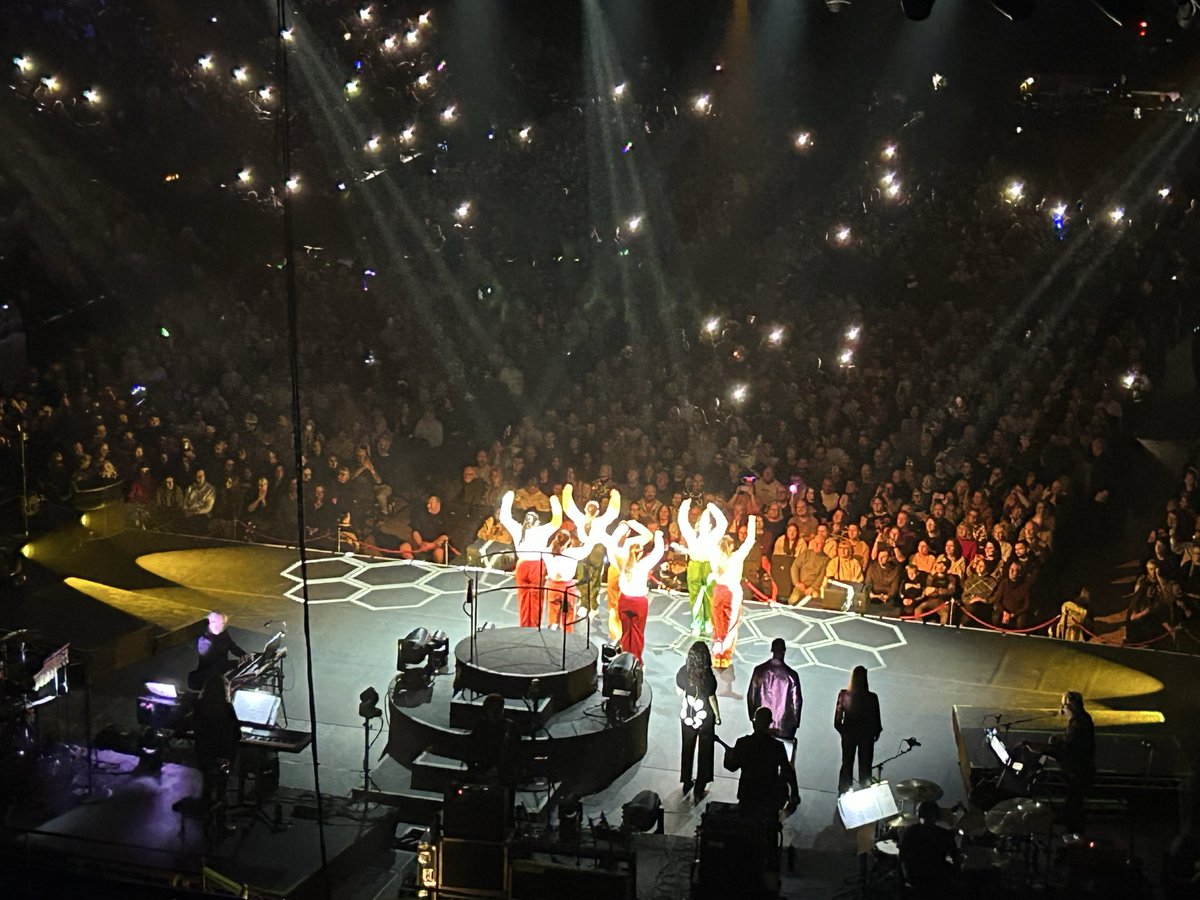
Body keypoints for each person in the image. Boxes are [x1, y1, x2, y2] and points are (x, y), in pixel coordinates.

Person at [498, 490, 563, 628]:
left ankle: (524, 625)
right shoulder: (541, 530)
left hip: (522, 566)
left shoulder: (517, 529)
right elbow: (557, 522)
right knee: (536, 599)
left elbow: (504, 517)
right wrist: (554, 501)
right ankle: (534, 627)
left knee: (523, 597)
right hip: (536, 567)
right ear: (537, 522)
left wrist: (508, 497)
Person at [722, 706, 799, 818]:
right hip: (769, 794)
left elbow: (730, 766)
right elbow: (787, 770)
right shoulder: (776, 746)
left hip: (747, 794)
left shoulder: (743, 743)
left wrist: (728, 754)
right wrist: (794, 794)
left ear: (754, 723)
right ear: (770, 723)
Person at [607, 520, 664, 664]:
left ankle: (625, 658)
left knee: (626, 632)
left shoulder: (621, 562)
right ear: (641, 553)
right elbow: (659, 551)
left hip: (625, 601)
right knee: (637, 634)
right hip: (638, 603)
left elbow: (612, 544)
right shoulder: (643, 565)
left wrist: (621, 528)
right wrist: (658, 535)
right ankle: (637, 660)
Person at [1041, 691, 1095, 836]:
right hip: (1080, 771)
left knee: (1074, 807)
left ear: (1071, 705)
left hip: (1077, 772)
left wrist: (1044, 749)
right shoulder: (1082, 719)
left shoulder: (1078, 722)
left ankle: (1074, 839)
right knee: (1073, 805)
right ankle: (1074, 838)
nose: (1063, 710)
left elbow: (1069, 747)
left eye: (1064, 705)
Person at [563, 484, 621, 615]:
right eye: (589, 508)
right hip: (582, 548)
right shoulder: (580, 518)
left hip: (597, 550)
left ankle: (593, 603)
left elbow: (613, 512)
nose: (591, 511)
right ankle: (584, 603)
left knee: (595, 577)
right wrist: (568, 490)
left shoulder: (601, 521)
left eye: (594, 509)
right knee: (582, 576)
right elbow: (568, 507)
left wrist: (615, 495)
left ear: (598, 511)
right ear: (585, 509)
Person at [710, 516, 757, 669]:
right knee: (731, 625)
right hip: (732, 593)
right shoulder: (736, 557)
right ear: (731, 547)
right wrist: (751, 520)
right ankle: (724, 655)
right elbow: (750, 541)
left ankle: (717, 652)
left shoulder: (714, 558)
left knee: (718, 623)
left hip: (719, 591)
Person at [676, 641, 720, 802]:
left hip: (688, 714)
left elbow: (678, 691)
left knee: (687, 747)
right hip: (705, 716)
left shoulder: (683, 672)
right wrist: (718, 715)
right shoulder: (707, 676)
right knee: (705, 749)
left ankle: (686, 780)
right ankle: (701, 783)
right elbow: (712, 698)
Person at [191, 673, 242, 810]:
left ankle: (206, 799)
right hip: (224, 756)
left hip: (205, 754)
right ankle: (221, 798)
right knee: (227, 761)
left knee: (207, 769)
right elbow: (238, 735)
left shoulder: (199, 706)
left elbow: (193, 726)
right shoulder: (227, 707)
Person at [676, 499, 726, 637]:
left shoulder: (714, 536)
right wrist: (685, 505)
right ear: (697, 524)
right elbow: (682, 521)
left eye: (706, 522)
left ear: (710, 525)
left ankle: (708, 621)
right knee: (695, 596)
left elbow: (723, 523)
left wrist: (712, 507)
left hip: (709, 566)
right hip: (695, 565)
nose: (703, 524)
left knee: (710, 595)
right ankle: (697, 623)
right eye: (700, 522)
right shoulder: (691, 535)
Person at [834, 665, 882, 794]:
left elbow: (837, 720)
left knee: (847, 763)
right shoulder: (872, 697)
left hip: (849, 734)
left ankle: (843, 790)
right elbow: (877, 720)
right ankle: (865, 792)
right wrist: (875, 733)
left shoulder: (844, 695)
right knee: (865, 767)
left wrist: (844, 732)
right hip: (866, 736)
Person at [898, 800, 960, 896]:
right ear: (937, 816)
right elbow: (955, 859)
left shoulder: (910, 832)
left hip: (915, 880)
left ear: (919, 815)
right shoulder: (945, 834)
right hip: (938, 883)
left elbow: (902, 857)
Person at [746, 638, 802, 740]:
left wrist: (753, 717)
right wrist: (795, 723)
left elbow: (751, 696)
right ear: (784, 651)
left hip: (761, 723)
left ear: (772, 650)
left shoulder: (759, 671)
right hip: (784, 726)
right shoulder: (791, 675)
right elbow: (796, 702)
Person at [190, 611, 248, 691]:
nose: (219, 626)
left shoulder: (222, 633)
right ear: (210, 622)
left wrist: (244, 655)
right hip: (211, 678)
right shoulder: (204, 642)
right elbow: (214, 666)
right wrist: (238, 663)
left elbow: (232, 646)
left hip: (223, 672)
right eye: (216, 622)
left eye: (222, 623)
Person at [468, 693, 517, 784]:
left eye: (499, 709)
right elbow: (473, 750)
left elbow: (515, 750)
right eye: (493, 709)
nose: (496, 713)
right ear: (486, 710)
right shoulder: (480, 728)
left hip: (503, 773)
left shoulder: (510, 727)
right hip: (484, 770)